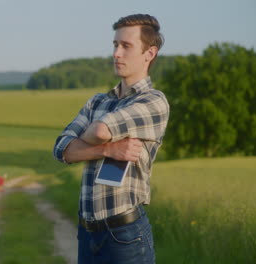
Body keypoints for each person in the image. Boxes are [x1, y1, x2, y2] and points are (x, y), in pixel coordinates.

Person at [53, 14, 169, 264]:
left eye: (126, 46)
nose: (117, 53)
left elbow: (100, 131)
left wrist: (90, 141)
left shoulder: (153, 101)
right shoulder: (98, 101)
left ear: (149, 54)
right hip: (87, 234)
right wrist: (109, 150)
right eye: (115, 45)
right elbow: (62, 149)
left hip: (124, 235)